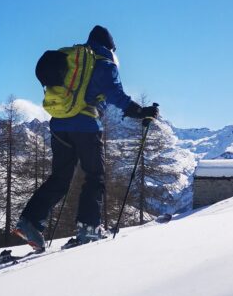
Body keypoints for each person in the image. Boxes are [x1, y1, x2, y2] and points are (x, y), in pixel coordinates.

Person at [14, 25, 158, 251]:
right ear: (110, 45)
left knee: (60, 178)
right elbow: (115, 95)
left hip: (59, 125)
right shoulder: (103, 62)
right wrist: (141, 112)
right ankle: (89, 228)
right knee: (95, 175)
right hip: (86, 125)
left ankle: (30, 222)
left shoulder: (74, 59)